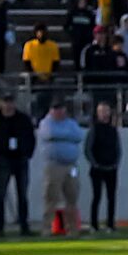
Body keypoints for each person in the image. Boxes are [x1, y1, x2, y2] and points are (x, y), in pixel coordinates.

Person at [0, 98, 36, 236]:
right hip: (4, 161)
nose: (8, 105)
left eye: (11, 102)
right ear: (1, 103)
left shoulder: (23, 120)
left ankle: (24, 225)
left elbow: (31, 138)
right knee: (0, 195)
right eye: (6, 102)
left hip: (20, 160)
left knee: (22, 195)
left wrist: (27, 154)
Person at [37, 100, 85, 235]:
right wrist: (66, 135)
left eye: (61, 108)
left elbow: (79, 136)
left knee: (72, 198)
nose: (59, 111)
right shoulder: (46, 123)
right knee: (51, 198)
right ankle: (47, 228)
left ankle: (73, 229)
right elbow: (50, 134)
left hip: (71, 165)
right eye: (56, 109)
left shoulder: (71, 123)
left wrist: (61, 135)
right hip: (54, 165)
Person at [86, 100, 124, 230]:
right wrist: (95, 164)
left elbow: (118, 148)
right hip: (97, 169)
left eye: (106, 111)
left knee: (111, 197)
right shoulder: (94, 130)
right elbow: (88, 149)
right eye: (101, 111)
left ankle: (110, 223)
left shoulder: (113, 130)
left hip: (111, 168)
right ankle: (94, 224)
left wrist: (116, 163)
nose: (104, 114)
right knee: (96, 197)